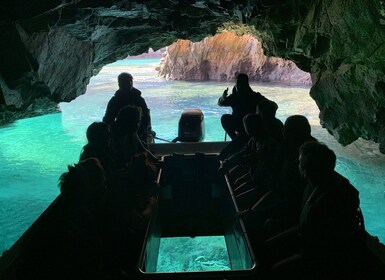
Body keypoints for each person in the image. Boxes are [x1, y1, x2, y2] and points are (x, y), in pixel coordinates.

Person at [267, 141, 366, 280]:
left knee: (276, 270)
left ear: (307, 170)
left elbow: (319, 247)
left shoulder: (328, 202)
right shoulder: (320, 184)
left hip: (324, 260)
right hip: (312, 246)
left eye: (300, 162)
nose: (297, 163)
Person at [103, 72, 151, 144]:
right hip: (121, 134)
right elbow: (108, 120)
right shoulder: (115, 101)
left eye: (129, 82)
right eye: (124, 83)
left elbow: (146, 118)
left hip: (138, 133)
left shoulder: (138, 99)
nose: (127, 85)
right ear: (119, 84)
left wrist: (139, 132)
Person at [218, 73, 267, 140]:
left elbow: (271, 104)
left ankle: (236, 140)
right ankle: (235, 139)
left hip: (251, 126)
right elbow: (221, 103)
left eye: (242, 84)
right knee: (224, 118)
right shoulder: (236, 97)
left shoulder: (254, 96)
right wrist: (223, 98)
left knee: (225, 118)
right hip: (243, 125)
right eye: (238, 84)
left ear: (247, 85)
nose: (240, 86)